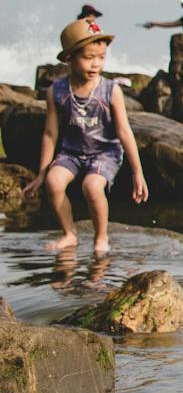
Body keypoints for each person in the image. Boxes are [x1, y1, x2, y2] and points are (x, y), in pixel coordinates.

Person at [23, 19, 148, 256]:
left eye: (101, 57)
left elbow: (124, 132)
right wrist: (41, 172)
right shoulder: (56, 91)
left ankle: (101, 237)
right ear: (69, 58)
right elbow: (50, 133)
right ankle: (69, 234)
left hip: (105, 153)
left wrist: (137, 172)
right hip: (71, 152)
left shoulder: (110, 90)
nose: (96, 64)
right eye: (89, 57)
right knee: (54, 182)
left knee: (91, 186)